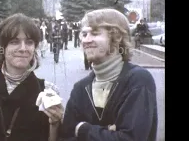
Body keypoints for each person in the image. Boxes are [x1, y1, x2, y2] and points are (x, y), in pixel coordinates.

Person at [60, 9, 158, 141]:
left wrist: (83, 129)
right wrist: (108, 133)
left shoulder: (138, 80)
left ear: (117, 37)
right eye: (84, 34)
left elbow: (130, 138)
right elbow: (65, 136)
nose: (86, 40)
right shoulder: (80, 88)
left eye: (94, 33)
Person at [0, 13, 64, 141]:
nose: (23, 48)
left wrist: (56, 123)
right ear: (2, 47)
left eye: (29, 42)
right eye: (14, 42)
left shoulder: (49, 91)